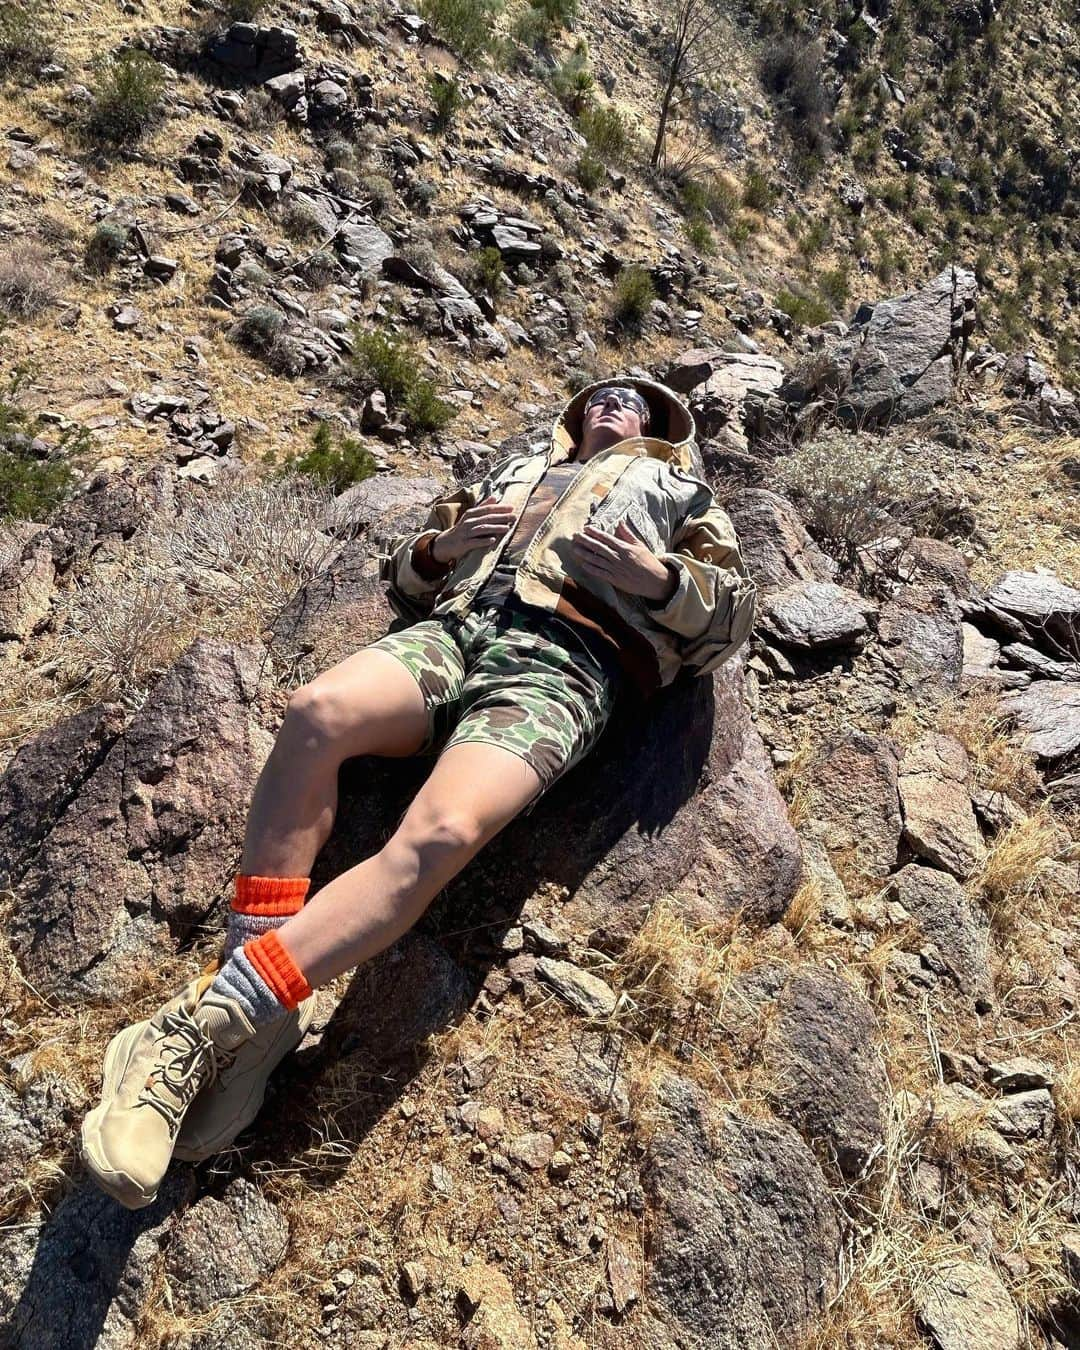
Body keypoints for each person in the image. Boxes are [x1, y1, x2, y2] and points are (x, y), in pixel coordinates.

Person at [80, 376, 757, 1208]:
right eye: (597, 395)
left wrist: (658, 583)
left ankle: (208, 1026)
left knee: (440, 834)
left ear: (657, 425)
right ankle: (258, 1022)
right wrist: (439, 552)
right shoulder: (517, 468)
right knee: (316, 713)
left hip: (561, 669)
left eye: (632, 400)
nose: (609, 402)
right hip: (452, 631)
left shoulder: (681, 491)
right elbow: (404, 580)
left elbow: (729, 622)